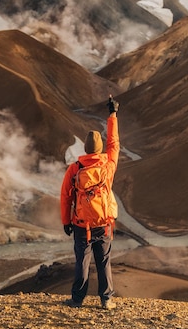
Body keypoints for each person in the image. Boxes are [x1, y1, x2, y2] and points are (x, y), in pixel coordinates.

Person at [60, 95, 119, 310]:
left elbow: (66, 196)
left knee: (82, 262)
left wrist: (66, 221)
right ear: (100, 148)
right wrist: (112, 114)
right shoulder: (108, 166)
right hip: (103, 224)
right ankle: (106, 300)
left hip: (81, 225)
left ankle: (77, 300)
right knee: (104, 261)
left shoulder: (75, 168)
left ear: (85, 149)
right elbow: (114, 144)